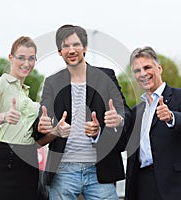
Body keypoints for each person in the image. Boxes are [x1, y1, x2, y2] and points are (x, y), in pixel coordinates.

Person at [33, 24, 132, 200]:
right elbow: (42, 124)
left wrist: (116, 119)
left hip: (100, 170)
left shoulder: (106, 76)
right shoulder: (52, 82)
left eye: (76, 45)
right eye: (66, 46)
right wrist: (47, 127)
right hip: (63, 171)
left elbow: (125, 112)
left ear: (85, 47)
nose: (71, 50)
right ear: (59, 51)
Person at [125, 46, 181, 200]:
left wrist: (172, 117)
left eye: (147, 67)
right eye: (137, 71)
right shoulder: (136, 111)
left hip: (176, 185)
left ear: (159, 68)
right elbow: (124, 143)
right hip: (143, 184)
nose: (143, 74)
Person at [0, 36, 39, 200]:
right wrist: (4, 116)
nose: (26, 63)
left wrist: (55, 131)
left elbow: (36, 138)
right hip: (3, 159)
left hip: (29, 160)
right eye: (21, 57)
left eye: (31, 58)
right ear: (11, 58)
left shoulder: (28, 96)